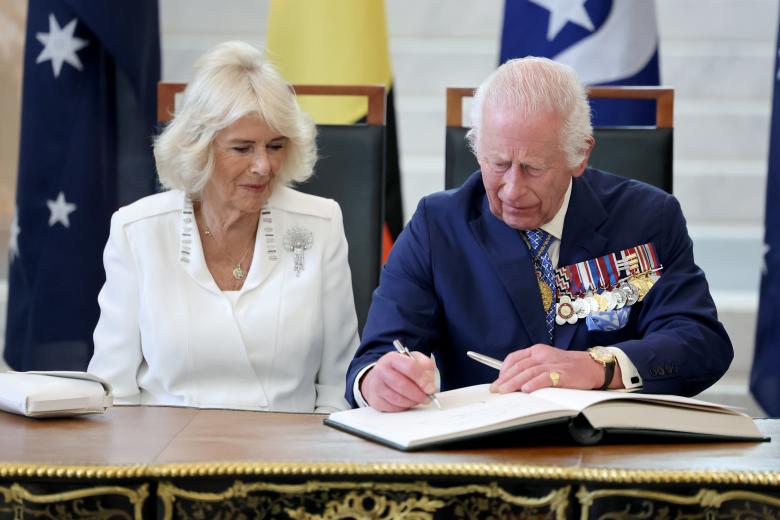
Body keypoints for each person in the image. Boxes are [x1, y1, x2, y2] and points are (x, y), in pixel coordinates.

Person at [346, 57, 733, 412]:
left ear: (579, 155)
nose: (512, 190)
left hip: (611, 456)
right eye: (498, 164)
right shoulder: (437, 225)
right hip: (478, 455)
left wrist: (599, 367)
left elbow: (702, 343)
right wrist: (380, 382)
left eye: (532, 168)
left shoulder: (646, 218)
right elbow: (375, 356)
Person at [88, 41, 359, 413]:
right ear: (199, 147)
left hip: (290, 460)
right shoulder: (138, 231)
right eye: (243, 148)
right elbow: (112, 394)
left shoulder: (320, 225)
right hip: (165, 459)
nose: (263, 166)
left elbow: (338, 388)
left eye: (275, 146)